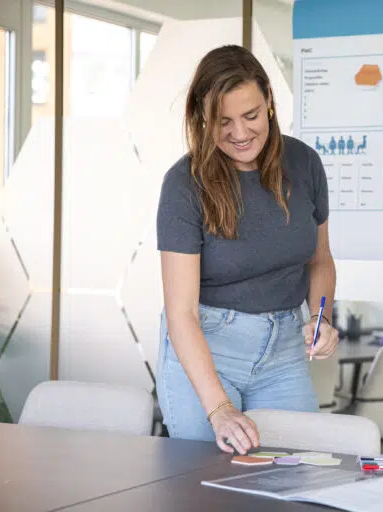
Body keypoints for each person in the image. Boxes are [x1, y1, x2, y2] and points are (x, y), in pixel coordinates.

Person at [155, 45, 339, 454]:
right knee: (204, 478)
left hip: (284, 351)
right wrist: (219, 408)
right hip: (207, 350)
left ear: (269, 101)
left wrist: (321, 316)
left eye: (251, 116)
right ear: (203, 118)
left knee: (299, 472)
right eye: (223, 122)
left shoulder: (304, 164)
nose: (239, 134)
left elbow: (320, 259)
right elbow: (181, 312)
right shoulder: (184, 184)